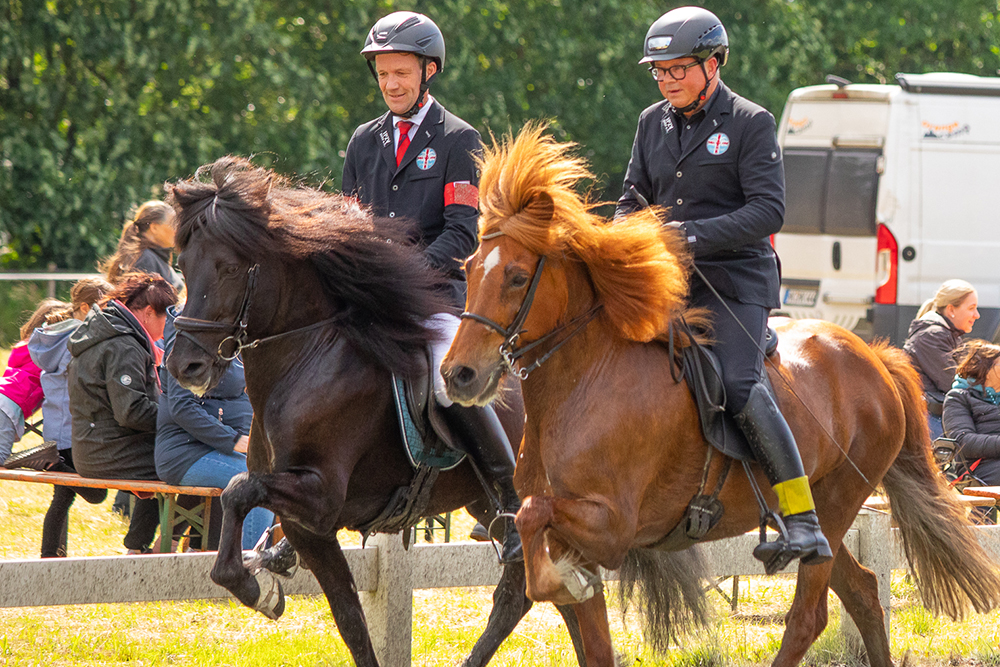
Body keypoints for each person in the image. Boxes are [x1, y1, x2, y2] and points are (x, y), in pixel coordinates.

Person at [615, 6, 830, 572]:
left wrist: (690, 234)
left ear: (713, 64)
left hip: (736, 280)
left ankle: (802, 519)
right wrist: (617, 235)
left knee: (737, 382)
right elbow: (634, 195)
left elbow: (768, 209)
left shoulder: (750, 122)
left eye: (677, 69)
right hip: (668, 280)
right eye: (658, 71)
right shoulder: (650, 122)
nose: (665, 80)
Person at [342, 11, 521, 562]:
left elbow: (462, 233)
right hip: (371, 298)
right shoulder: (363, 140)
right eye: (383, 74)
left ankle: (508, 503)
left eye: (401, 73)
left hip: (435, 296)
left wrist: (402, 273)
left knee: (450, 382)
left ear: (428, 71)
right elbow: (350, 223)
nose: (391, 83)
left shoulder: (457, 138)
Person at [68, 272, 178, 554]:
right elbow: (131, 412)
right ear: (149, 312)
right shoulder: (123, 344)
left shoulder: (109, 331)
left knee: (171, 456)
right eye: (168, 318)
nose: (169, 328)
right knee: (184, 462)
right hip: (106, 452)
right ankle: (171, 548)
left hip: (93, 447)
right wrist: (179, 419)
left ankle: (138, 548)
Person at [155, 308, 273, 550]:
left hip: (220, 450)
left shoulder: (232, 336)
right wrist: (235, 440)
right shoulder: (184, 338)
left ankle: (255, 560)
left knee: (275, 472)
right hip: (184, 452)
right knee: (258, 482)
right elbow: (182, 407)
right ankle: (250, 565)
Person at [100, 200, 185, 518]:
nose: (177, 228)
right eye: (172, 222)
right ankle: (128, 502)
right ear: (152, 228)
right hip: (148, 345)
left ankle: (128, 502)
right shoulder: (147, 260)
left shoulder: (153, 257)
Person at [28, 277, 114, 557]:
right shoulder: (78, 340)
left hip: (58, 430)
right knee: (96, 493)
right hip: (73, 432)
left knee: (62, 498)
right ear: (86, 307)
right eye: (103, 309)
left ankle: (50, 556)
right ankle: (49, 465)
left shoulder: (56, 336)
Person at [903, 279, 980, 440]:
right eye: (971, 308)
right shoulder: (931, 336)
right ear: (951, 310)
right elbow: (953, 382)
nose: (977, 315)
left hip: (938, 414)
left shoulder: (946, 334)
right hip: (928, 419)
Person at [0, 299, 69, 463]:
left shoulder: (25, 348)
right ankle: (33, 460)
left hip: (4, 394)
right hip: (8, 405)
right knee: (1, 458)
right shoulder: (49, 354)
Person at [942, 341, 1000, 523]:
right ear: (985, 368)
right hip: (978, 465)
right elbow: (963, 441)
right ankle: (981, 540)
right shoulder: (958, 397)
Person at [101, 200, 184, 296]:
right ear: (154, 228)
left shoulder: (156, 257)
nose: (177, 230)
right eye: (173, 224)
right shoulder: (145, 260)